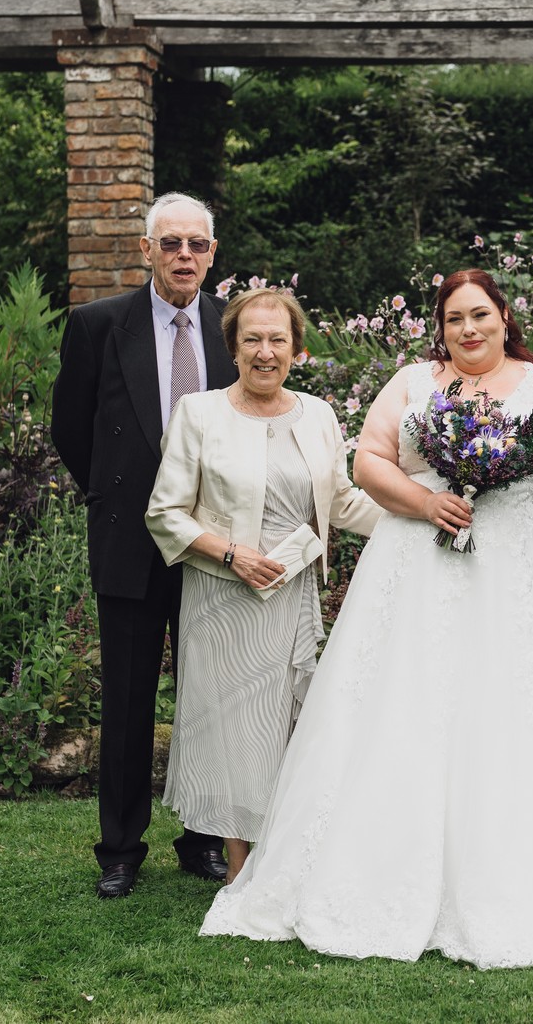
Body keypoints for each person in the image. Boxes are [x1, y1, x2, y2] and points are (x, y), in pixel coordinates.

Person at [200, 269, 533, 968]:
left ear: (504, 317)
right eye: (454, 319)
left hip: (523, 574)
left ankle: (529, 874)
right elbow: (369, 459)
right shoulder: (411, 382)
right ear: (439, 326)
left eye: (480, 315)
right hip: (418, 564)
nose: (468, 329)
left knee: (520, 715)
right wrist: (422, 499)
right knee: (405, 708)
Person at [145, 288, 382, 885]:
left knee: (288, 724)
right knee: (234, 730)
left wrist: (422, 515)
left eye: (278, 339)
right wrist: (231, 554)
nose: (265, 351)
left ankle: (288, 854)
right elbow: (165, 512)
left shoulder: (319, 415)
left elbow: (343, 500)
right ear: (233, 347)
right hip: (225, 596)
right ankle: (238, 869)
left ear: (296, 349)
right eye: (252, 338)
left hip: (292, 593)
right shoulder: (198, 414)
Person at [52, 192, 238, 898]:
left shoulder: (234, 329)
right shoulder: (99, 325)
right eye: (171, 244)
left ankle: (202, 838)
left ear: (212, 254)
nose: (184, 255)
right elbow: (70, 428)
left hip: (213, 546)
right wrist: (113, 496)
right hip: (130, 537)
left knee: (209, 698)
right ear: (147, 250)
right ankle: (121, 850)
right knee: (127, 700)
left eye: (197, 244)